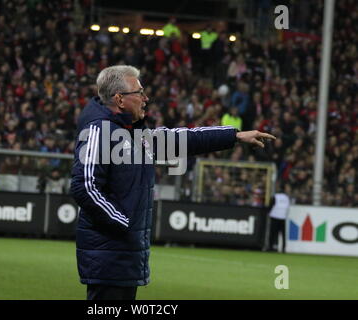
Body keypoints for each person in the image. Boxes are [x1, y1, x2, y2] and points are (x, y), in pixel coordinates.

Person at [70, 65, 276, 300]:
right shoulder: (99, 130)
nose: (145, 98)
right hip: (109, 254)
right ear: (119, 99)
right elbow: (84, 186)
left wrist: (234, 136)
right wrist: (123, 223)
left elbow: (185, 139)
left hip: (122, 255)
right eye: (139, 92)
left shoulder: (132, 133)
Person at [267, 187, 291, 253]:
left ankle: (270, 247)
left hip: (274, 216)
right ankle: (283, 248)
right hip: (283, 217)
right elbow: (288, 207)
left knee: (272, 233)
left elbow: (270, 206)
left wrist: (268, 213)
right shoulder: (287, 198)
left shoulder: (275, 197)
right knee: (283, 234)